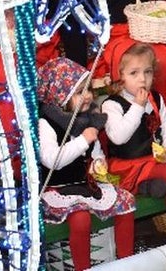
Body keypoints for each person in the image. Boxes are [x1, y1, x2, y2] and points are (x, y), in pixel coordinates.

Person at [36, 57, 136, 270]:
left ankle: (127, 261)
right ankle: (84, 267)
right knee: (80, 218)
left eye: (88, 89)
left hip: (84, 184)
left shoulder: (88, 118)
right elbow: (52, 160)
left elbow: (96, 152)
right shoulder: (47, 123)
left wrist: (98, 164)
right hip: (57, 188)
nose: (89, 96)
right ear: (60, 94)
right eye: (80, 92)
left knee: (125, 202)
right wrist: (83, 141)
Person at [101, 42, 166, 241]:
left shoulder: (156, 98)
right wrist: (138, 106)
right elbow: (119, 137)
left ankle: (157, 185)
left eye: (147, 72)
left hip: (155, 161)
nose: (142, 79)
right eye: (134, 73)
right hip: (129, 164)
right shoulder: (112, 104)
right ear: (119, 76)